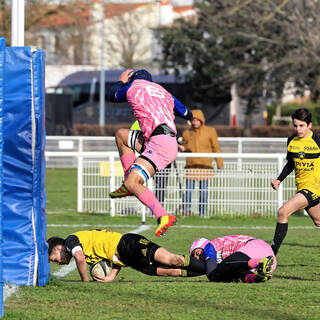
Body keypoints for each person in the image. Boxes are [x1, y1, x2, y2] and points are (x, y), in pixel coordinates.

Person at [108, 69, 193, 237]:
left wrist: (121, 81)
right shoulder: (163, 92)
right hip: (163, 140)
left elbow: (113, 95)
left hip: (160, 145)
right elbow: (186, 113)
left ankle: (163, 215)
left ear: (132, 79)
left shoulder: (133, 87)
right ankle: (127, 183)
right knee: (122, 135)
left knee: (134, 183)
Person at [47, 229, 205, 283]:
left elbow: (79, 259)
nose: (58, 263)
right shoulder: (88, 252)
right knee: (173, 272)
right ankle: (212, 273)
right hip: (127, 258)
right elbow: (113, 258)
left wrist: (85, 282)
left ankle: (212, 267)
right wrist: (111, 277)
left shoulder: (71, 241)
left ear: (59, 248)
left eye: (54, 259)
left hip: (129, 244)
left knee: (174, 260)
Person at [271, 107, 320, 255]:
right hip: (302, 188)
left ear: (309, 125)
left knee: (283, 212)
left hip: (314, 188)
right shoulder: (291, 141)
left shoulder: (317, 140)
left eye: (301, 125)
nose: (298, 129)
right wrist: (279, 179)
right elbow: (291, 163)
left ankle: (271, 255)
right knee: (318, 221)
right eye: (295, 125)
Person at [180, 109, 223, 216]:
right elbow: (186, 146)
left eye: (197, 120)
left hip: (205, 166)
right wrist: (182, 147)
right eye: (193, 120)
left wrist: (219, 164)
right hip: (191, 166)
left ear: (201, 120)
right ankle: (186, 212)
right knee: (189, 191)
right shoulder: (187, 133)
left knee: (203, 192)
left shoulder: (210, 131)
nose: (194, 122)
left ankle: (202, 213)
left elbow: (216, 148)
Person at [189, 235, 276, 283]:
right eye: (194, 257)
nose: (197, 257)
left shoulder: (211, 245)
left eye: (197, 253)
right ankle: (256, 277)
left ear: (202, 246)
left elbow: (211, 270)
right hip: (267, 259)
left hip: (256, 247)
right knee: (228, 271)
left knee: (222, 268)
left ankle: (259, 264)